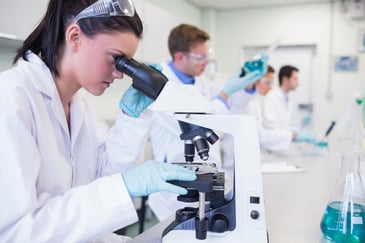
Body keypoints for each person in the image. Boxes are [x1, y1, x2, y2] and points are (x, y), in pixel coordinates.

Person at [0, 0, 197, 242]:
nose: (120, 73)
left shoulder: (79, 106)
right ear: (75, 37)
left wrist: (130, 118)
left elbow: (103, 180)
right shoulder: (11, 100)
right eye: (116, 59)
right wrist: (124, 186)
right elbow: (18, 231)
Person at [147, 23, 267, 221]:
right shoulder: (161, 87)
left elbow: (227, 109)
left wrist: (246, 83)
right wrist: (225, 92)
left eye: (207, 55)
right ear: (179, 57)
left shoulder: (200, 80)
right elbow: (201, 125)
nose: (206, 62)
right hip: (175, 192)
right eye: (200, 57)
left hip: (205, 174)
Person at [262, 65, 316, 143]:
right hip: (273, 146)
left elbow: (285, 125)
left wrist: (299, 130)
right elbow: (271, 128)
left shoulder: (287, 99)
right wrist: (292, 135)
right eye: (295, 79)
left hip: (281, 144)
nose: (298, 83)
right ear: (285, 79)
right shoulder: (272, 98)